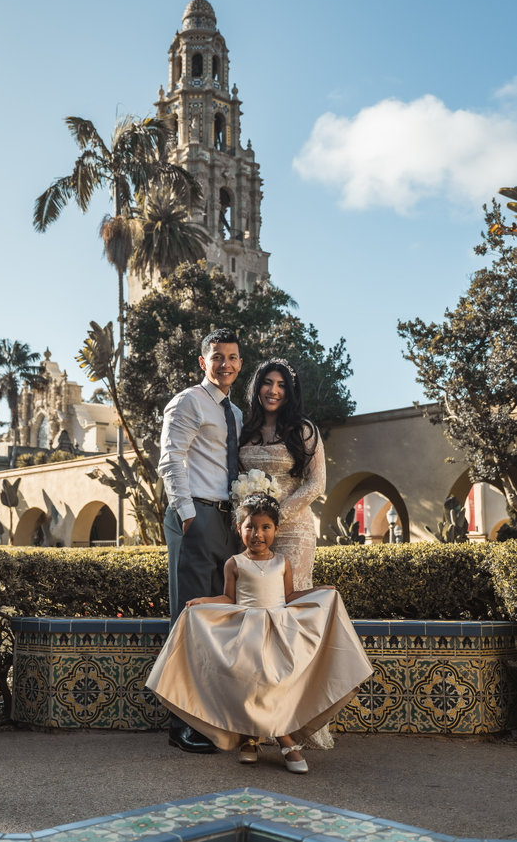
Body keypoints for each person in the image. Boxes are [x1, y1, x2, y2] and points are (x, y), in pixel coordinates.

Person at [146, 493, 373, 774]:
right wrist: (203, 602)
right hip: (247, 633)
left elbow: (289, 595)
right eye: (250, 527)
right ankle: (255, 740)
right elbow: (230, 598)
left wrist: (319, 592)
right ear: (239, 529)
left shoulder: (282, 563)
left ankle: (281, 738)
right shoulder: (234, 563)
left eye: (265, 527)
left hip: (278, 630)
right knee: (249, 684)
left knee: (275, 683)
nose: (258, 534)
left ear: (275, 530)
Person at [157, 326, 243, 753]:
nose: (224, 363)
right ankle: (181, 723)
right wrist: (188, 516)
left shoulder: (237, 413)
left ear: (239, 364)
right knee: (188, 621)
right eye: (217, 356)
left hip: (227, 522)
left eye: (231, 357)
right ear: (202, 361)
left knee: (217, 622)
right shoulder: (188, 401)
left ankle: (210, 718)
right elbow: (171, 458)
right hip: (197, 517)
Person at [239, 359, 325, 592]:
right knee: (256, 599)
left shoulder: (304, 430)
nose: (274, 390)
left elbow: (317, 483)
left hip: (293, 531)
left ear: (290, 392)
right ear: (257, 388)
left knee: (289, 600)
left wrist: (276, 518)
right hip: (252, 532)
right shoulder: (244, 431)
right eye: (267, 383)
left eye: (281, 385)